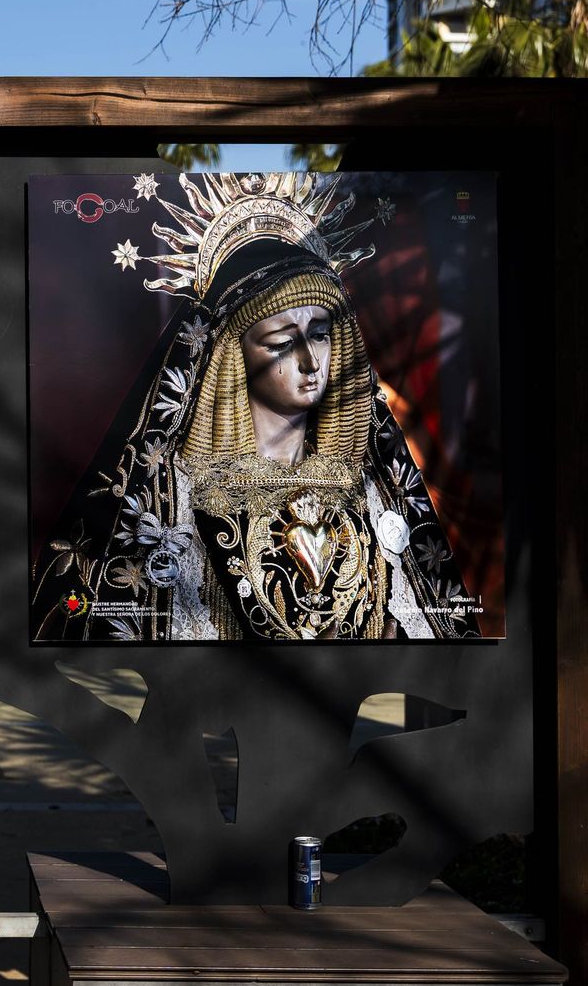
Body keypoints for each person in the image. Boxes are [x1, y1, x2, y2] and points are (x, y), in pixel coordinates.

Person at [32, 172, 479, 641]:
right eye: (282, 343)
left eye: (320, 335)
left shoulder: (369, 487)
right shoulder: (176, 499)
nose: (310, 362)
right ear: (232, 354)